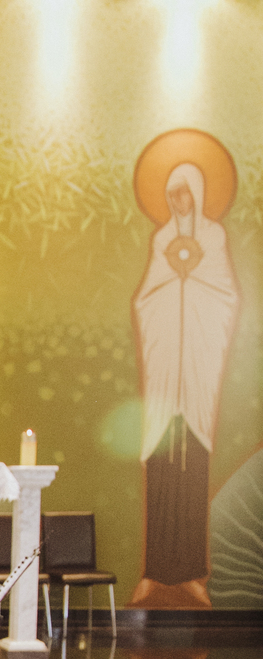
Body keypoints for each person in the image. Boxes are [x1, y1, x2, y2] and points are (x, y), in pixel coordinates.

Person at [131, 161, 241, 610]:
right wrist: (173, 288)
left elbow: (226, 295)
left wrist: (191, 285)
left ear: (197, 193)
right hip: (165, 373)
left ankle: (193, 575)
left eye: (185, 192)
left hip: (197, 371)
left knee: (192, 470)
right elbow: (146, 299)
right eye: (172, 193)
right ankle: (153, 573)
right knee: (161, 468)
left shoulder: (213, 237)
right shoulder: (161, 239)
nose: (179, 201)